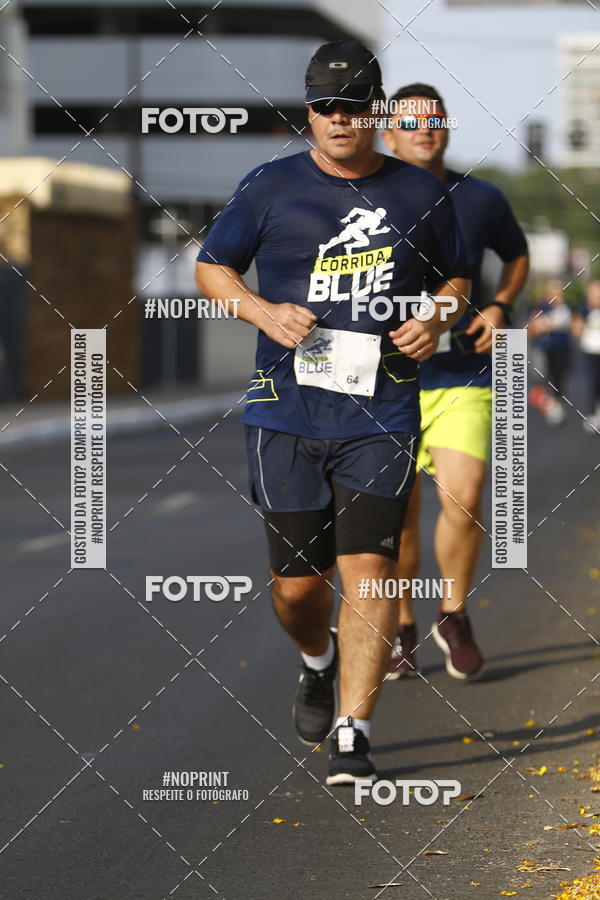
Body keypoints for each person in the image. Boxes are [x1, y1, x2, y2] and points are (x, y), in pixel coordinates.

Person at [195, 44, 470, 784]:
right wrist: (261, 311)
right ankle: (318, 661)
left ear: (375, 110)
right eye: (325, 106)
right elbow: (211, 267)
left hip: (382, 412)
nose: (339, 119)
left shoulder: (419, 192)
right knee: (297, 586)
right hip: (286, 414)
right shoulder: (270, 186)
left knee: (371, 571)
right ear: (309, 111)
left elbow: (455, 277)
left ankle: (355, 730)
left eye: (352, 106)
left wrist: (436, 317)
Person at [382, 83, 529, 680]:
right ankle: (401, 624)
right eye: (410, 121)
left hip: (462, 372)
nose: (424, 129)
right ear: (388, 134)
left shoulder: (480, 197)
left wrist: (501, 306)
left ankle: (452, 613)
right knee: (397, 514)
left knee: (464, 497)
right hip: (384, 378)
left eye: (434, 120)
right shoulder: (364, 198)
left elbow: (516, 254)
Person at [528, 279, 573, 426]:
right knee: (542, 380)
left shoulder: (567, 308)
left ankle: (557, 406)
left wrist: (546, 324)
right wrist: (542, 325)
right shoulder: (541, 308)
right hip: (544, 350)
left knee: (559, 380)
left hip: (561, 350)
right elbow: (533, 328)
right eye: (553, 291)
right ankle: (550, 406)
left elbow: (569, 325)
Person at [572, 280, 600, 435]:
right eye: (595, 294)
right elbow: (576, 330)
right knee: (593, 382)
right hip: (590, 351)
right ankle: (592, 414)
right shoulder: (584, 310)